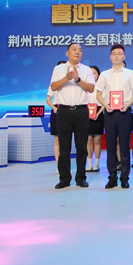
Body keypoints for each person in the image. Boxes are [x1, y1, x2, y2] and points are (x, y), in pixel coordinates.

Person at [50, 43, 95, 189]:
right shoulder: (59, 69)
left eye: (80, 50)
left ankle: (81, 178)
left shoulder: (86, 70)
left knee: (82, 146)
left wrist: (78, 79)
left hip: (81, 111)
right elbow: (53, 86)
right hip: (63, 111)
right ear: (67, 53)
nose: (77, 52)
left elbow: (91, 88)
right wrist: (66, 78)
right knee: (64, 146)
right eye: (74, 50)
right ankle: (64, 179)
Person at [96, 44, 133, 189]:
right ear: (110, 56)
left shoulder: (130, 74)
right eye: (114, 53)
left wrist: (127, 104)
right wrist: (105, 104)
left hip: (124, 112)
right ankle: (112, 177)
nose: (116, 56)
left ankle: (125, 177)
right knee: (110, 146)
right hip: (109, 113)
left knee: (125, 145)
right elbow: (98, 94)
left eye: (119, 53)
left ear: (124, 56)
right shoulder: (104, 74)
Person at [46, 60, 66, 173]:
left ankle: (66, 164)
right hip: (56, 111)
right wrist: (54, 108)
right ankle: (59, 165)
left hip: (67, 111)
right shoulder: (53, 84)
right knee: (57, 139)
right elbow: (48, 99)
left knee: (66, 140)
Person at [86, 66, 105, 172]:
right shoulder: (85, 86)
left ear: (98, 74)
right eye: (91, 73)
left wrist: (98, 113)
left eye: (94, 73)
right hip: (87, 113)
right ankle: (89, 164)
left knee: (97, 139)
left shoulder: (101, 87)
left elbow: (105, 101)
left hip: (98, 112)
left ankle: (97, 164)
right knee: (88, 139)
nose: (93, 75)